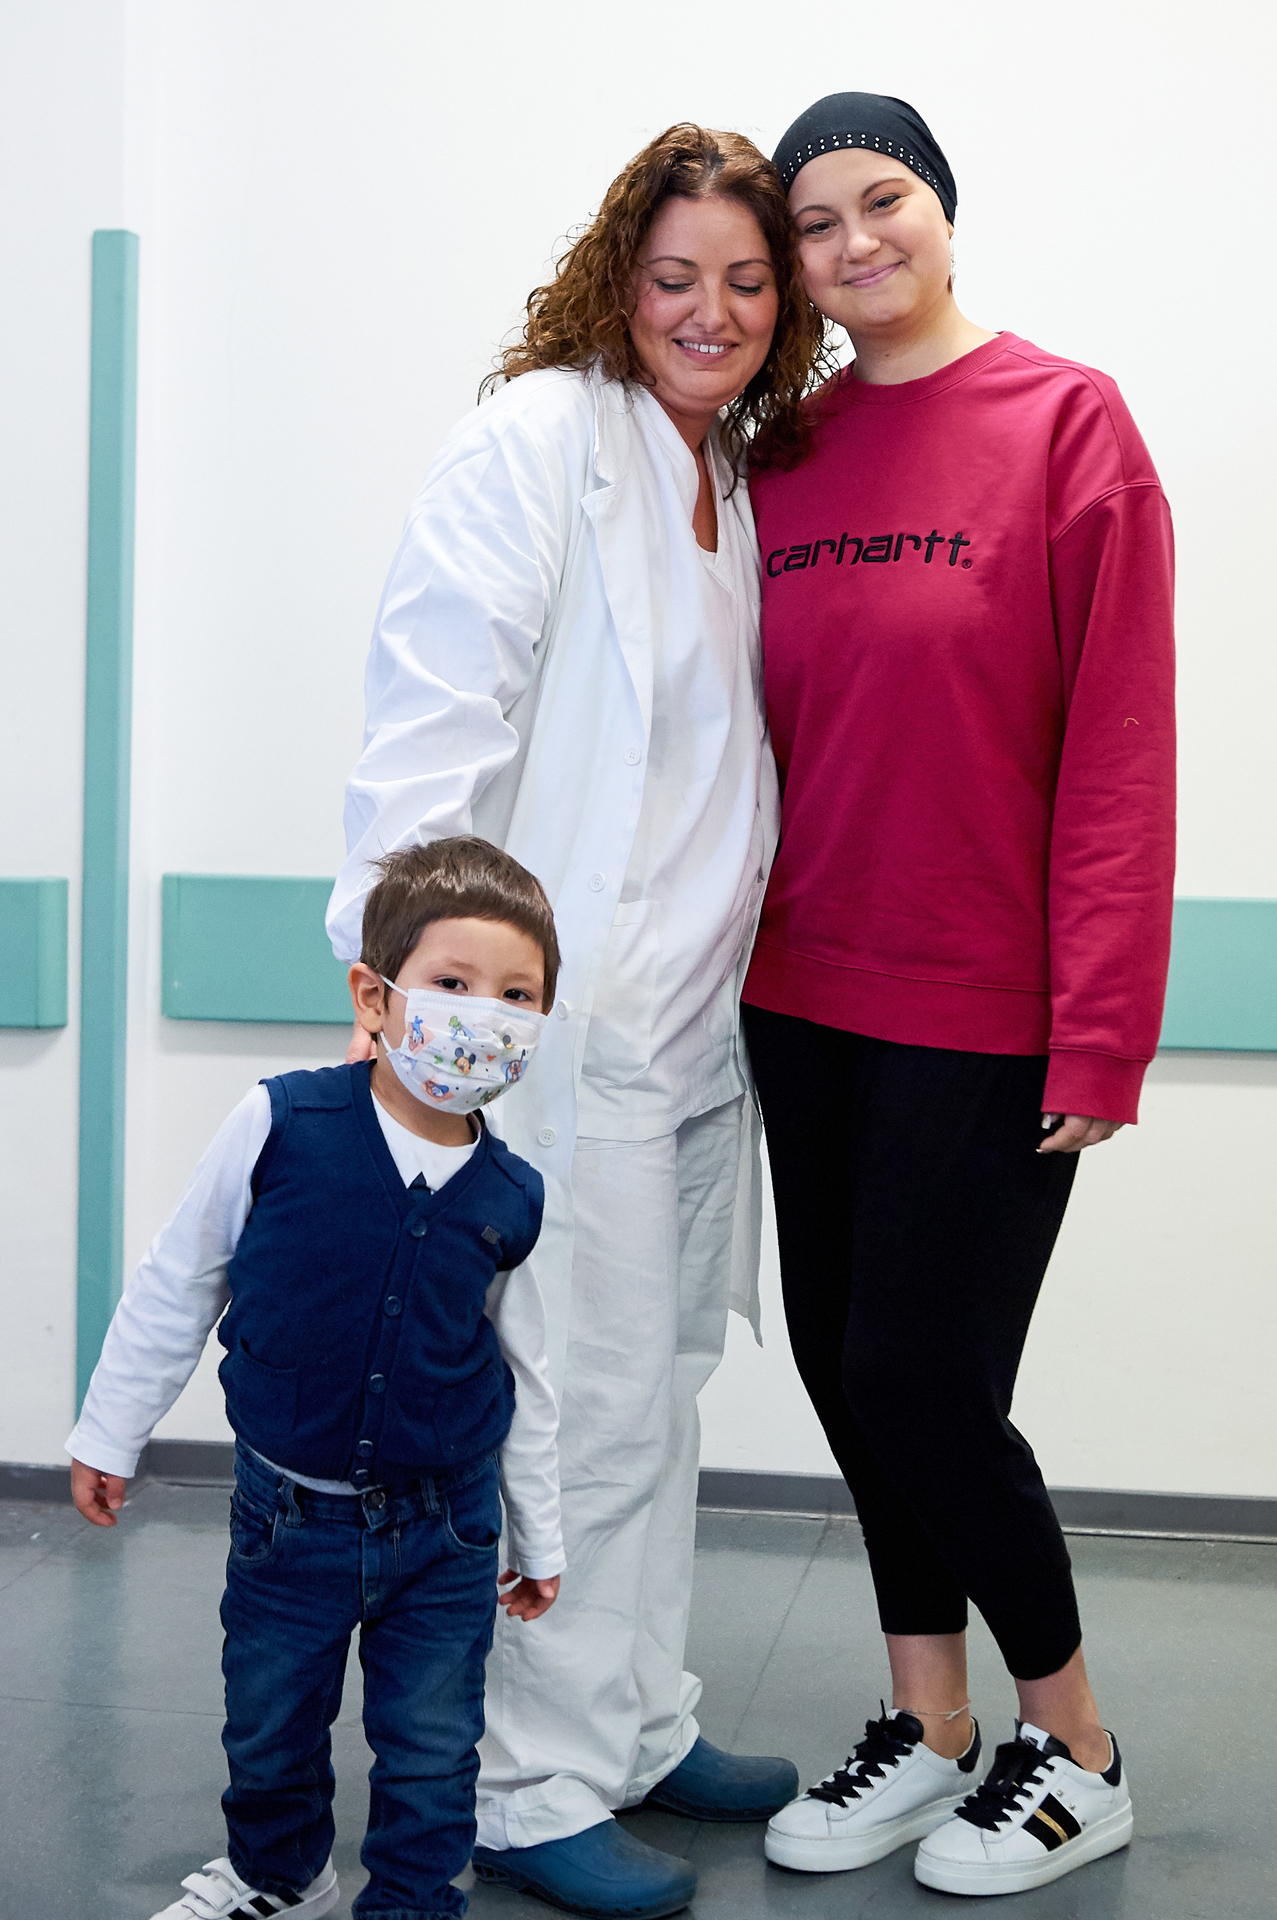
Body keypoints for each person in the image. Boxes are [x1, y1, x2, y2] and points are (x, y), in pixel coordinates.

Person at [325, 124, 827, 1920]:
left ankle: (632, 1724)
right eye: (675, 274)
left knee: (655, 1399)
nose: (710, 310)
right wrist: (411, 1005)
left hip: (693, 1044)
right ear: (620, 277)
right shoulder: (540, 439)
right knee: (557, 1416)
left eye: (747, 281)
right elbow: (429, 721)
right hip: (558, 1045)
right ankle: (524, 1787)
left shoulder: (729, 472)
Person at [742, 93, 1175, 1897]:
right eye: (814, 222)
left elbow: (1121, 752)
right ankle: (927, 1726)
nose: (854, 244)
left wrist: (1104, 1026)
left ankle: (1074, 1748)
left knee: (922, 1380)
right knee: (847, 1376)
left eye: (883, 200)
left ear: (940, 205)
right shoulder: (780, 450)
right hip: (797, 993)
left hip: (986, 1003)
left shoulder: (1068, 424)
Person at [67, 838, 566, 1920]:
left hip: (446, 1530)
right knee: (269, 1722)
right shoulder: (280, 1123)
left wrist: (539, 1535)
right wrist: (111, 1431)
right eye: (451, 983)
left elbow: (525, 1378)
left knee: (432, 1747)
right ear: (374, 996)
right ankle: (278, 1877)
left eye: (516, 995)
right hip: (285, 1519)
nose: (483, 1015)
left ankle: (412, 1905)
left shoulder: (511, 1195)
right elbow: (180, 1279)